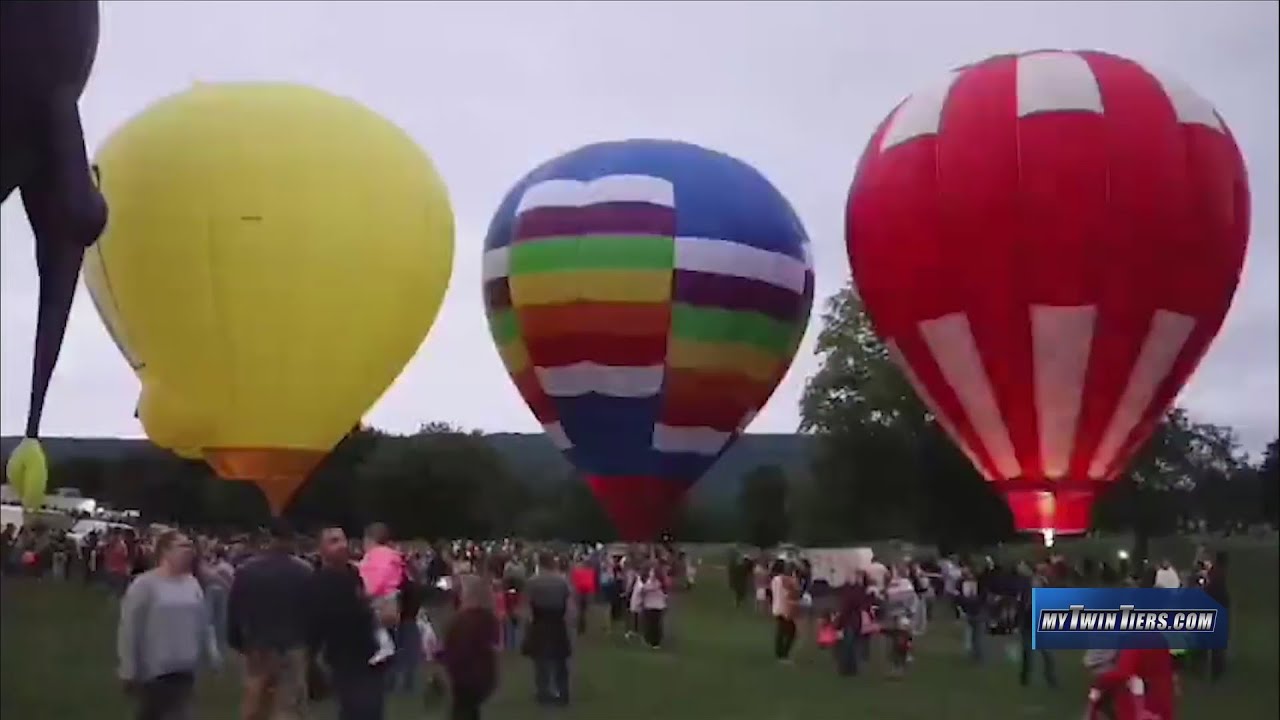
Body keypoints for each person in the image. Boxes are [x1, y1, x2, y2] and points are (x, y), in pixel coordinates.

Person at [117, 530, 219, 720]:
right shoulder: (145, 585)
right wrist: (128, 668)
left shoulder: (192, 584)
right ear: (165, 551)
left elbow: (204, 622)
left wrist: (211, 654)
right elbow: (130, 629)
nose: (189, 551)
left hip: (185, 669)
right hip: (154, 672)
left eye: (190, 546)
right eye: (182, 546)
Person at [226, 520, 313, 720]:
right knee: (289, 707)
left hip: (257, 646)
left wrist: (237, 641)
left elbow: (235, 610)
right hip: (292, 646)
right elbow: (312, 613)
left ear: (269, 539)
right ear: (292, 541)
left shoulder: (247, 570)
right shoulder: (304, 571)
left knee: (255, 706)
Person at [308, 526, 389, 720]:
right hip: (343, 657)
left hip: (370, 651)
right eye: (333, 541)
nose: (341, 545)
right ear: (321, 549)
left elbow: (364, 603)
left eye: (343, 540)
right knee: (359, 710)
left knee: (372, 710)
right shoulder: (318, 582)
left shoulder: (354, 574)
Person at [440, 574, 500, 720]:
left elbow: (458, 649)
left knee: (462, 711)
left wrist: (442, 657)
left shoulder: (465, 620)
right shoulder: (488, 618)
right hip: (483, 674)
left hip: (465, 675)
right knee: (471, 710)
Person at [522, 552, 572, 706]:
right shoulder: (562, 581)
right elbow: (569, 604)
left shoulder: (532, 582)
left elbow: (526, 607)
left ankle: (543, 692)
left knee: (540, 660)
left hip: (540, 621)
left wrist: (527, 626)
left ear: (539, 563)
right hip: (558, 621)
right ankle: (563, 692)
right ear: (552, 562)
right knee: (560, 660)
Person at [357, 523, 403, 666]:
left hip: (380, 595)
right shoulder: (392, 554)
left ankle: (385, 646)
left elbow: (377, 576)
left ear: (370, 540)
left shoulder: (375, 555)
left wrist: (368, 590)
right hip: (392, 593)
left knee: (375, 622)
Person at [1016, 562, 1057, 688]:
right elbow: (1022, 603)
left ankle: (1050, 679)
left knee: (1046, 653)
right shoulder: (1027, 584)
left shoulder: (1044, 584)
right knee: (1028, 652)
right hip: (1028, 620)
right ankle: (1025, 679)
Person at [770, 560, 800, 664]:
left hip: (776, 607)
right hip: (785, 608)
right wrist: (795, 580)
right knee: (791, 632)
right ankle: (783, 655)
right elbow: (795, 593)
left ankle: (780, 654)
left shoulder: (775, 579)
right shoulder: (787, 580)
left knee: (781, 631)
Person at [639, 564, 669, 650]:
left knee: (655, 625)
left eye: (652, 572)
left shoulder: (658, 583)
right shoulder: (649, 581)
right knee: (649, 624)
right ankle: (649, 640)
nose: (650, 573)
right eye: (650, 572)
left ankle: (655, 642)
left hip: (657, 606)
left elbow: (647, 589)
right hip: (649, 605)